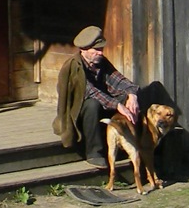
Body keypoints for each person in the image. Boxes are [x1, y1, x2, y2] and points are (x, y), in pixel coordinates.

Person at [53, 25, 141, 165]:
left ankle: (127, 143)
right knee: (92, 104)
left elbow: (120, 81)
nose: (100, 53)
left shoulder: (101, 62)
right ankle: (94, 152)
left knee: (127, 99)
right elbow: (91, 92)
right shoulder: (74, 67)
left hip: (103, 106)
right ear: (84, 50)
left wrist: (132, 95)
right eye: (97, 50)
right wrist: (117, 105)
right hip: (79, 112)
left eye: (101, 49)